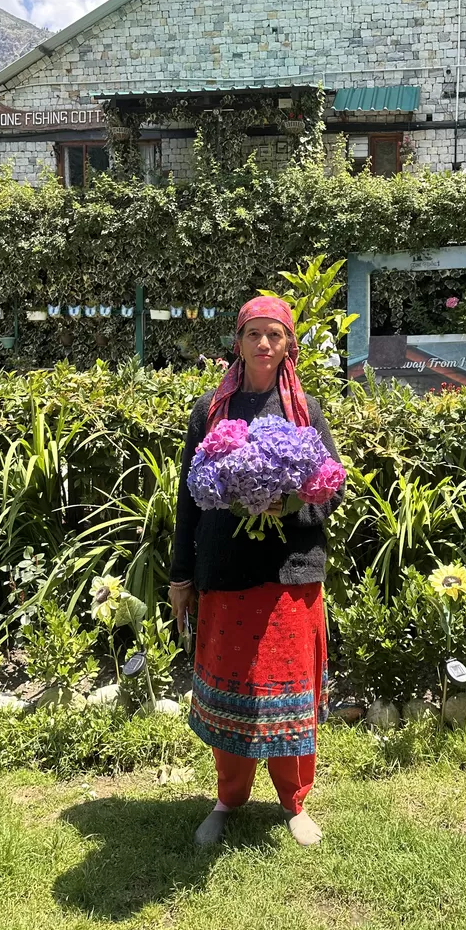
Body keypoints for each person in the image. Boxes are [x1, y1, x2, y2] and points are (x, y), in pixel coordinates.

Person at [168, 296, 344, 847]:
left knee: (290, 689)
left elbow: (330, 487)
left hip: (290, 575)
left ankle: (294, 802)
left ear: (289, 344)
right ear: (238, 342)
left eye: (275, 335)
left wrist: (286, 506)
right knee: (230, 691)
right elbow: (189, 500)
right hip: (225, 573)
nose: (264, 344)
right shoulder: (211, 411)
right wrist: (181, 575)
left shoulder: (303, 411)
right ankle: (228, 797)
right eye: (253, 335)